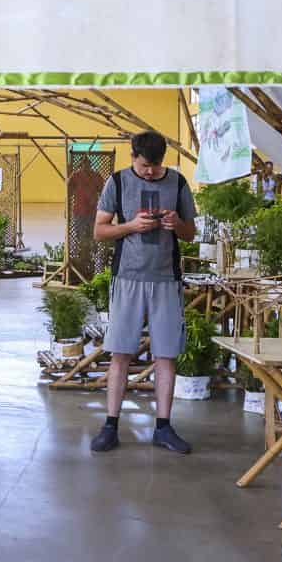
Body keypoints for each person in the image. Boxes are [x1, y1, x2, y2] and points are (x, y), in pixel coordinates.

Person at [91, 130, 198, 454]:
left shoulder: (177, 183)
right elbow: (99, 231)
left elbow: (191, 234)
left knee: (166, 354)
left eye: (155, 165)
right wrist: (130, 227)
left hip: (167, 279)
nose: (150, 171)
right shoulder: (118, 182)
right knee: (121, 352)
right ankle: (110, 425)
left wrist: (176, 223)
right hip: (128, 277)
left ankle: (163, 428)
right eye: (143, 166)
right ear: (132, 157)